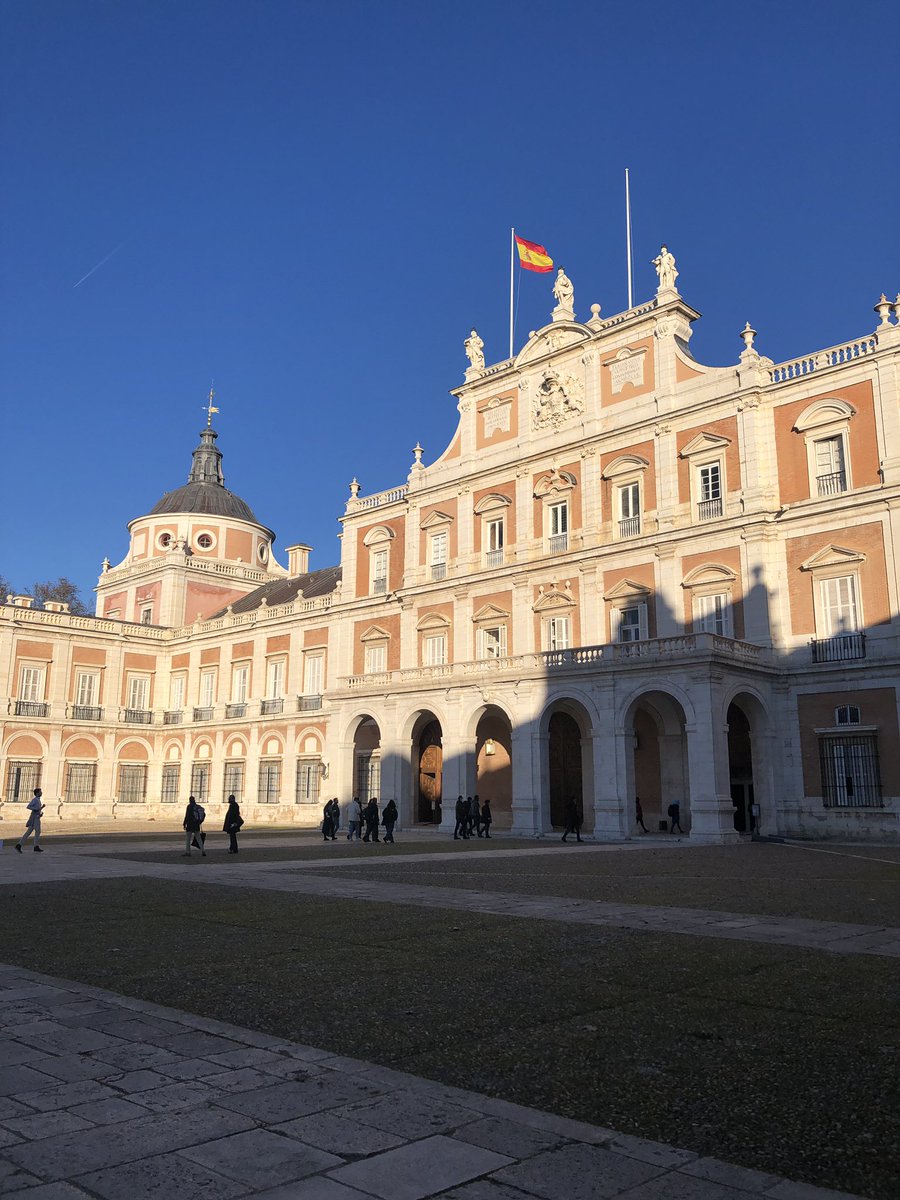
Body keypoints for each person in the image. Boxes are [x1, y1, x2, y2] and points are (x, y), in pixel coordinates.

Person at [16, 787, 45, 853]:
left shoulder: (38, 800)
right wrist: (35, 809)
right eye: (40, 792)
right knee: (37, 831)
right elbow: (29, 806)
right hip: (35, 818)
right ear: (37, 793)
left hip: (36, 817)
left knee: (29, 832)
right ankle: (35, 846)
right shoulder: (35, 800)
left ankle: (19, 845)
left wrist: (42, 808)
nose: (41, 793)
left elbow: (37, 809)